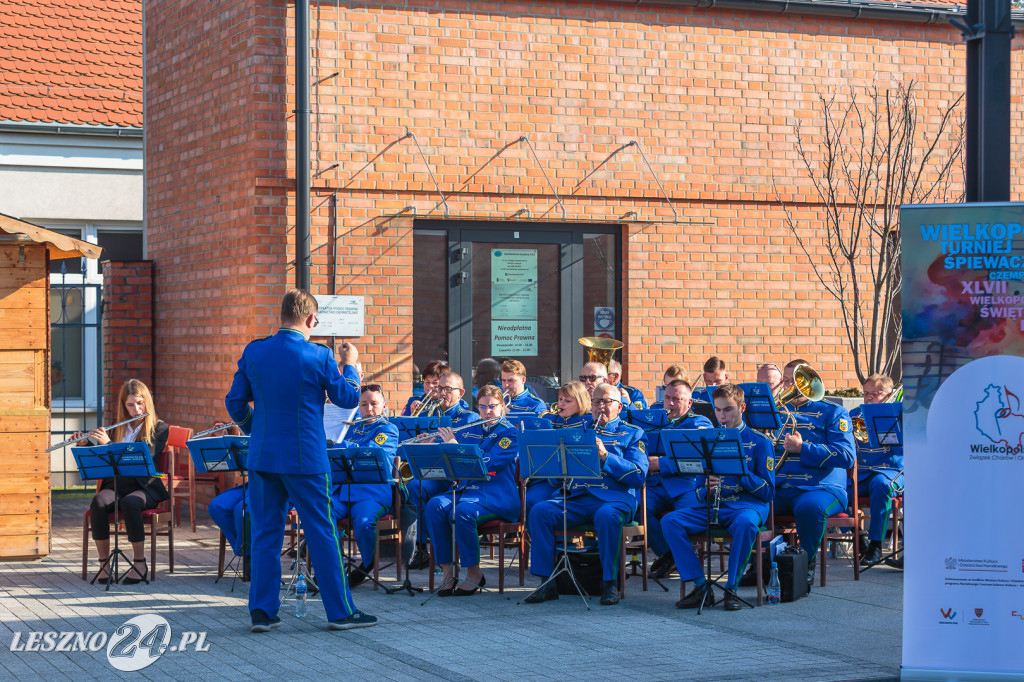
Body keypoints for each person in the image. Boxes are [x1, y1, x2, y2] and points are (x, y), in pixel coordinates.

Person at [225, 288, 375, 632]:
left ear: (282, 316)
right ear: (310, 319)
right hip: (306, 458)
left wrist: (255, 431)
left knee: (265, 534)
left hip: (263, 457)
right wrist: (350, 367)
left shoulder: (254, 350)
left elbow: (235, 403)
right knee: (322, 532)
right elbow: (348, 396)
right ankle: (340, 612)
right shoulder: (318, 355)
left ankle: (262, 613)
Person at [525, 383, 648, 606]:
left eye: (606, 402)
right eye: (596, 402)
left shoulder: (633, 433)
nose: (600, 407)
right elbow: (555, 479)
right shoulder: (577, 433)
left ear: (619, 407)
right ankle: (547, 581)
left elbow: (638, 476)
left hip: (614, 499)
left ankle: (609, 583)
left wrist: (605, 456)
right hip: (579, 498)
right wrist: (557, 465)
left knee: (606, 516)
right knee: (540, 510)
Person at [664, 384, 775, 611]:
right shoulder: (705, 440)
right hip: (716, 505)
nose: (722, 416)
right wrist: (706, 488)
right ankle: (701, 586)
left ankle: (731, 588)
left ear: (742, 408)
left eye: (728, 410)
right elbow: (697, 492)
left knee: (745, 524)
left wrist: (742, 474)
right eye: (717, 410)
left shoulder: (760, 442)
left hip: (747, 506)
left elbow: (768, 492)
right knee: (670, 521)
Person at [426, 385, 520, 596]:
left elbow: (488, 463)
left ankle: (474, 573)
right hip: (467, 491)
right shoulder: (471, 430)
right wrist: (434, 446)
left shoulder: (511, 433)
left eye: (493, 407)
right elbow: (451, 465)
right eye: (483, 407)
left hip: (497, 495)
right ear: (478, 408)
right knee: (435, 505)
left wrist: (453, 445)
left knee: (462, 512)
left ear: (502, 407)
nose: (488, 411)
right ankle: (448, 570)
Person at [772, 358, 856, 589]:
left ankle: (804, 565)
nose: (789, 386)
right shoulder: (776, 412)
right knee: (752, 502)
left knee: (810, 508)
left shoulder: (833, 412)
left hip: (822, 488)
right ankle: (757, 565)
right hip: (781, 485)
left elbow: (846, 455)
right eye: (786, 381)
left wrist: (803, 448)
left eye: (794, 381)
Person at [78, 379, 169, 585]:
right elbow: (97, 452)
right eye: (130, 405)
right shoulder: (117, 428)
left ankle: (139, 563)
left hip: (144, 487)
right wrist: (84, 442)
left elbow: (147, 457)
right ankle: (104, 564)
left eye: (140, 403)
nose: (136, 409)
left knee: (130, 503)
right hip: (118, 486)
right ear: (123, 406)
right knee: (98, 502)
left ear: (147, 402)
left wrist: (108, 444)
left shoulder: (159, 428)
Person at [404, 371, 480, 570]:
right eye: (439, 388)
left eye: (448, 389)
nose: (442, 393)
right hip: (437, 474)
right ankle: (420, 547)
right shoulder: (431, 416)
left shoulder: (470, 418)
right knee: (414, 486)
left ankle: (438, 548)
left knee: (423, 491)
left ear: (461, 393)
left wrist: (452, 443)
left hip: (458, 478)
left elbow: (469, 454)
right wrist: (424, 444)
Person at [330, 384, 400, 587]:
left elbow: (371, 452)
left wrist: (339, 445)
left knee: (363, 522)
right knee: (322, 514)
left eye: (374, 404)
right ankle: (334, 565)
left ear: (384, 406)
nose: (369, 409)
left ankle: (366, 564)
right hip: (345, 490)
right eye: (364, 404)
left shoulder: (389, 429)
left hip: (373, 492)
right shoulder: (351, 428)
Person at [645, 380, 714, 580]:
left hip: (686, 485)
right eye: (667, 398)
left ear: (690, 402)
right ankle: (669, 554)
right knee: (638, 509)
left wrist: (662, 464)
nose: (671, 403)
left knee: (686, 518)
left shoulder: (699, 423)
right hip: (655, 485)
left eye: (677, 399)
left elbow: (699, 459)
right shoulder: (654, 421)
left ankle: (674, 559)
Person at [850, 374, 903, 565]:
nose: (868, 398)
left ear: (888, 395)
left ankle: (876, 546)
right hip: (863, 472)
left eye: (875, 394)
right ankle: (859, 539)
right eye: (865, 393)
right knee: (835, 491)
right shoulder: (854, 415)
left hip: (891, 470)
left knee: (881, 485)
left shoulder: (900, 415)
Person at [524, 381, 591, 515]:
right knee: (529, 500)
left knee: (557, 507)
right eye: (560, 399)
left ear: (580, 402)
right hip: (547, 479)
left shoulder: (589, 421)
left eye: (567, 401)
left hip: (575, 481)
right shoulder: (548, 419)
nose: (561, 404)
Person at [402, 360, 469, 416]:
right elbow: (402, 426)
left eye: (435, 383)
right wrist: (412, 415)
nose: (430, 386)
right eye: (427, 382)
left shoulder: (459, 404)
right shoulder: (413, 401)